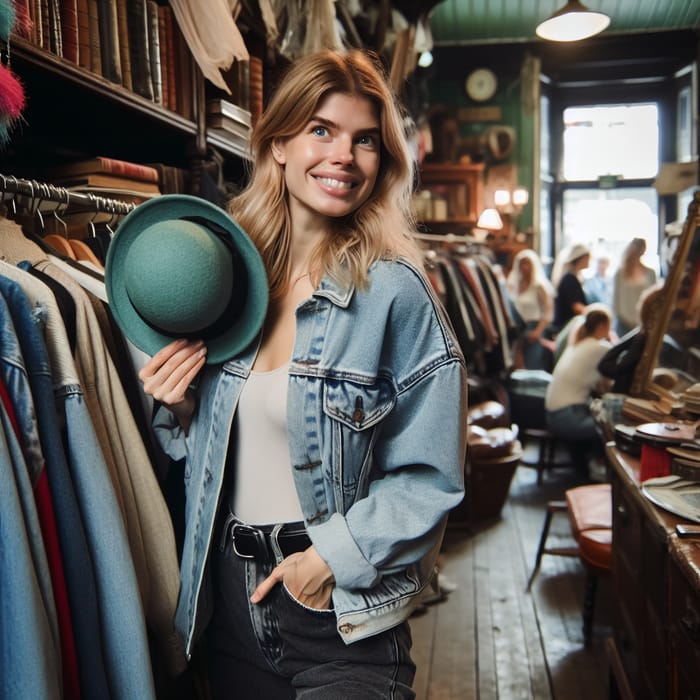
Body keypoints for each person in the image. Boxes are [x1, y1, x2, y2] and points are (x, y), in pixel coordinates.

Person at [136, 49, 468, 698]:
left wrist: (326, 562)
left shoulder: (395, 295)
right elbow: (216, 453)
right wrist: (179, 411)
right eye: (322, 130)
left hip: (337, 611)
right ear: (279, 144)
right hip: (226, 603)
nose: (343, 155)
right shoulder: (224, 280)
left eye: (364, 140)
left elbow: (430, 477)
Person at [545, 307, 613, 477]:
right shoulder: (599, 347)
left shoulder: (577, 344)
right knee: (609, 427)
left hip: (554, 414)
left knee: (601, 418)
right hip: (566, 416)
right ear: (602, 326)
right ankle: (598, 473)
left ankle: (589, 470)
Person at [505, 248, 554, 370]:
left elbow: (548, 311)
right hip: (518, 329)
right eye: (522, 264)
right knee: (517, 365)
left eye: (527, 264)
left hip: (534, 328)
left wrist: (538, 331)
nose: (525, 267)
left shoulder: (538, 286)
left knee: (533, 363)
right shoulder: (513, 286)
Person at [612, 236, 657, 336]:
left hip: (643, 322)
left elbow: (654, 299)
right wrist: (622, 318)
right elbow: (616, 299)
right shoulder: (620, 273)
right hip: (623, 324)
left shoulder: (650, 273)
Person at [551, 242, 591, 333]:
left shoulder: (574, 278)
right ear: (580, 258)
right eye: (587, 257)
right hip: (567, 327)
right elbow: (577, 307)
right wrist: (594, 314)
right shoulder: (569, 279)